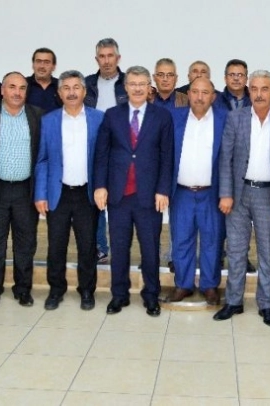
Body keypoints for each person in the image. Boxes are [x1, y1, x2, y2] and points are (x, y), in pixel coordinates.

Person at [213, 70, 270, 327]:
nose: (259, 94)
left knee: (267, 253)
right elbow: (225, 159)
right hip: (238, 195)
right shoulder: (235, 117)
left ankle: (266, 304)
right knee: (236, 251)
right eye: (255, 89)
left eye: (265, 89)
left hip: (268, 196)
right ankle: (234, 301)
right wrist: (226, 193)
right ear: (249, 90)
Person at [94, 66, 174, 317]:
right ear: (125, 87)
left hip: (149, 196)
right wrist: (100, 186)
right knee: (119, 249)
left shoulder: (162, 117)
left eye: (142, 84)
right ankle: (119, 295)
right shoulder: (112, 115)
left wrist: (163, 189)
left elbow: (167, 157)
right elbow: (102, 154)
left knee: (150, 249)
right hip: (118, 196)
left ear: (149, 87)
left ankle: (151, 295)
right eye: (133, 84)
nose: (138, 88)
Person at [34, 70, 103, 311]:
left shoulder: (99, 119)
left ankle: (87, 290)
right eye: (66, 88)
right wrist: (40, 193)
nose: (71, 92)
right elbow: (42, 160)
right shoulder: (49, 120)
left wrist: (103, 187)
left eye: (76, 87)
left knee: (87, 246)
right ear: (59, 93)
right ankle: (56, 290)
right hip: (58, 193)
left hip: (87, 194)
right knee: (56, 246)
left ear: (84, 91)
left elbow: (104, 158)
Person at [0, 72, 43, 308]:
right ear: (2, 90)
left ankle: (23, 289)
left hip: (26, 190)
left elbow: (43, 156)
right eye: (12, 87)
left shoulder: (38, 116)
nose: (17, 92)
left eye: (22, 88)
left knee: (25, 244)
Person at [168, 77, 225, 305]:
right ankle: (183, 284)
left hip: (212, 192)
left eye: (205, 92)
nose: (199, 97)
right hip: (181, 192)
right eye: (195, 91)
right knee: (181, 240)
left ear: (213, 96)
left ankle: (210, 285)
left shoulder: (224, 119)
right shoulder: (174, 117)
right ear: (188, 94)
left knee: (212, 240)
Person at [84, 38, 128, 264]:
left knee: (120, 201)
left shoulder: (129, 82)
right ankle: (100, 246)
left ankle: (121, 249)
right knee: (96, 197)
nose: (107, 61)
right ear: (96, 59)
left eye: (111, 56)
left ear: (118, 58)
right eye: (102, 56)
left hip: (122, 148)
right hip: (94, 146)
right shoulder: (87, 84)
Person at [26, 47, 61, 113]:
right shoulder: (23, 85)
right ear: (33, 65)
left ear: (54, 67)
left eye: (46, 62)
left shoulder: (61, 86)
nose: (42, 66)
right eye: (38, 61)